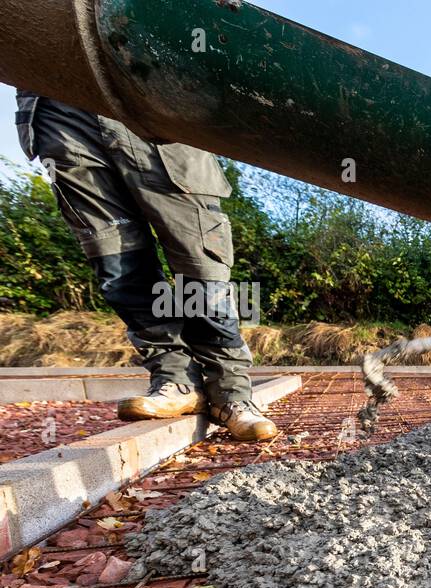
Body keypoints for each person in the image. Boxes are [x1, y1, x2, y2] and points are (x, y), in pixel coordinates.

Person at [15, 92, 278, 441]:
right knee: (118, 264)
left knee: (201, 267)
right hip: (59, 112)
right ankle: (176, 381)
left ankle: (231, 395)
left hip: (150, 99)